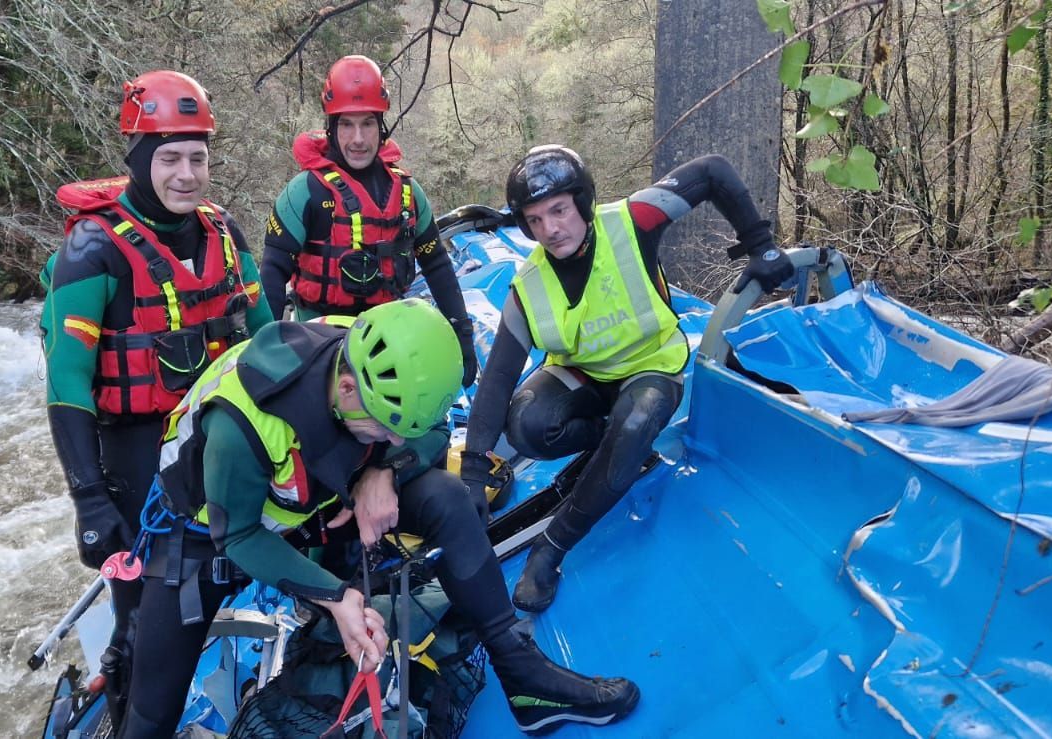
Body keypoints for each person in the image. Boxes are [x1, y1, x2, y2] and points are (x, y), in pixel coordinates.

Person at [120, 299, 639, 737]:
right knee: (153, 707)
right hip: (207, 535)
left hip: (318, 503)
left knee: (446, 497)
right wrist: (337, 596)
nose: (394, 438)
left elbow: (433, 434)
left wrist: (384, 471)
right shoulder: (243, 422)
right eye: (383, 429)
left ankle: (525, 680)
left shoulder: (377, 356)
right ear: (347, 390)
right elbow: (239, 534)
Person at [460, 147, 793, 613]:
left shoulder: (632, 221)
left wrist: (762, 247)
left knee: (635, 423)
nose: (550, 230)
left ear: (583, 202)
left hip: (651, 365)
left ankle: (553, 546)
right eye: (534, 220)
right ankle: (616, 445)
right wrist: (474, 471)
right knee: (527, 426)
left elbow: (713, 169)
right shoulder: (528, 284)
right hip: (585, 377)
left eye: (559, 210)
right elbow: (496, 379)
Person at [39, 70, 272, 724]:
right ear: (138, 159)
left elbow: (270, 340)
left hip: (220, 443)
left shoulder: (224, 232)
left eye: (198, 157)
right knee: (142, 617)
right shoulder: (92, 250)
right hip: (135, 455)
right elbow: (67, 381)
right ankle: (124, 684)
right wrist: (88, 497)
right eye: (169, 157)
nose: (187, 173)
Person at [260, 55, 477, 386]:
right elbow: (272, 274)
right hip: (319, 343)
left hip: (387, 343)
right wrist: (264, 352)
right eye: (346, 124)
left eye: (367, 124)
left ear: (382, 126)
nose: (358, 139)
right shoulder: (305, 192)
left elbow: (437, 264)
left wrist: (462, 331)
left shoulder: (408, 192)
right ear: (331, 128)